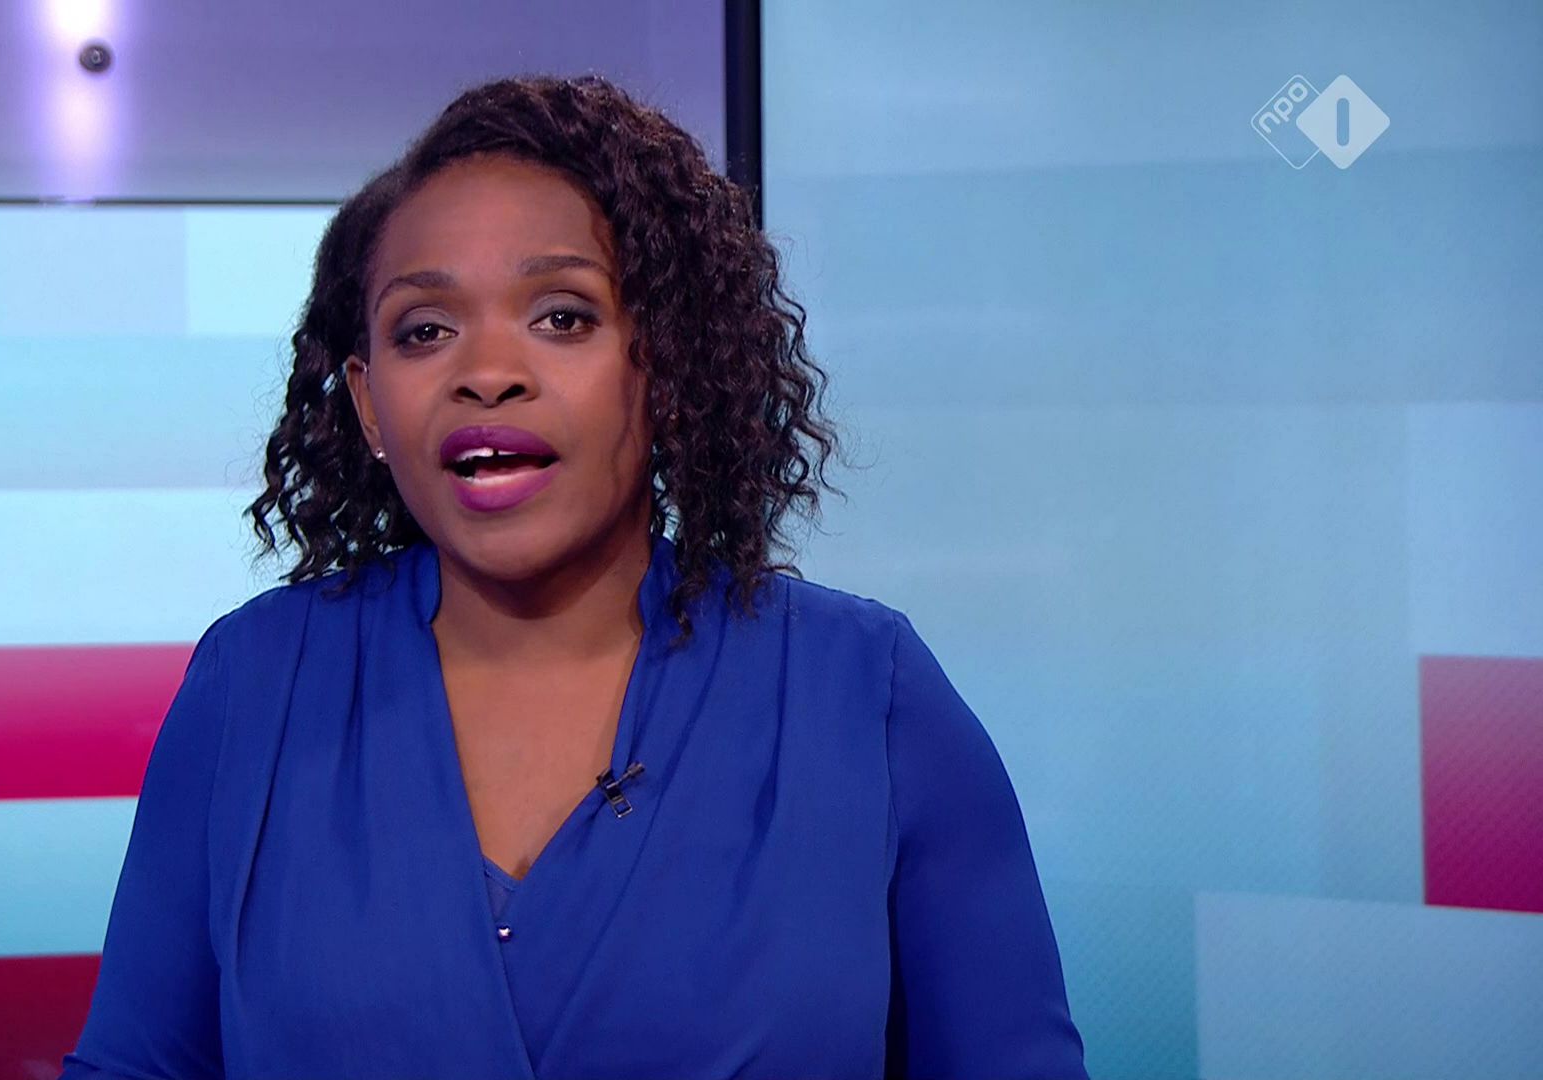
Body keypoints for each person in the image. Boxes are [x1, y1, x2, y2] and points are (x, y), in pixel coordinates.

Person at [59, 74, 1088, 1080]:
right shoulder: (254, 683)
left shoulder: (865, 694)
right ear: (369, 404)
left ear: (668, 362)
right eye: (425, 330)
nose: (486, 373)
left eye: (562, 317)